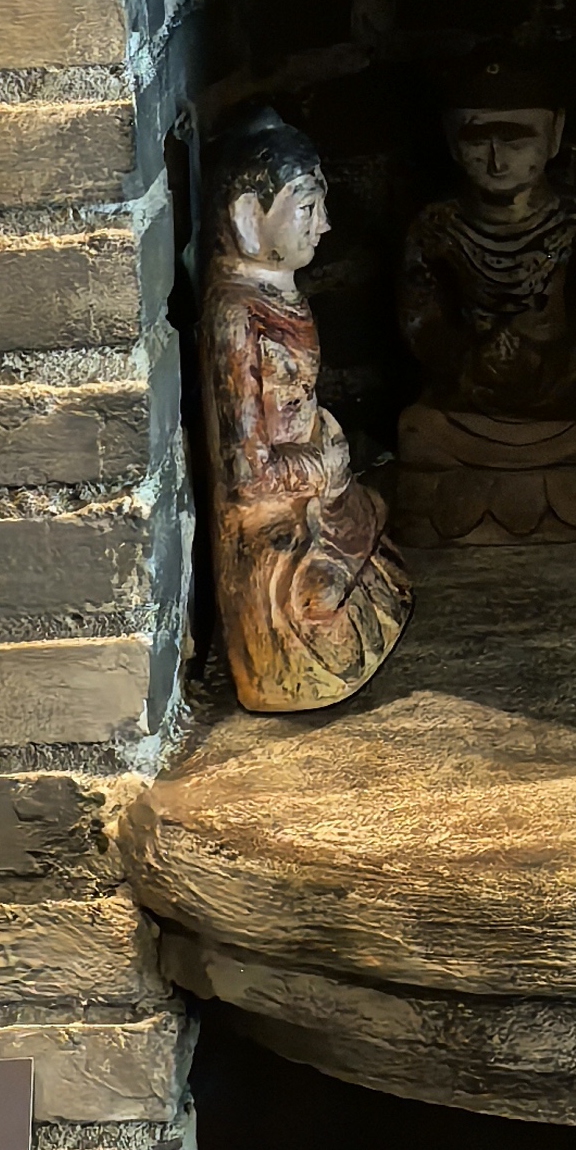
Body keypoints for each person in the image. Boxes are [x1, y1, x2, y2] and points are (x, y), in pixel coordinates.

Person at [199, 106, 409, 711]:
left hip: (315, 494)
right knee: (324, 596)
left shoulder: (274, 294)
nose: (325, 225)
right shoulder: (236, 318)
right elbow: (246, 473)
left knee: (378, 523)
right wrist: (323, 467)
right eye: (308, 208)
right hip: (274, 520)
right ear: (248, 217)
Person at [393, 54, 576, 541]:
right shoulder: (437, 226)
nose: (497, 160)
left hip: (564, 397)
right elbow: (421, 325)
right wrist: (472, 364)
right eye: (478, 141)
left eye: (517, 140)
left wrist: (551, 369)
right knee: (418, 432)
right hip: (473, 399)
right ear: (451, 140)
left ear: (554, 136)